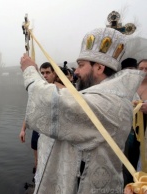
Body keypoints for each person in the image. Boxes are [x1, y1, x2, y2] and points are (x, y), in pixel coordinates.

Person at [20, 27, 145, 194]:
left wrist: (30, 72)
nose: (76, 71)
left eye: (81, 65)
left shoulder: (107, 101)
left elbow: (56, 104)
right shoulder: (109, 95)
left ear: (99, 68)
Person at [19, 62, 57, 178]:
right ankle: (37, 181)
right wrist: (23, 129)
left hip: (51, 132)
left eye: (48, 73)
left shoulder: (58, 90)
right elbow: (30, 110)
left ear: (54, 73)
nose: (45, 76)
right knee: (37, 160)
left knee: (50, 162)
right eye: (43, 73)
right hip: (38, 130)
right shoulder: (38, 91)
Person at [121, 58, 141, 186]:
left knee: (132, 159)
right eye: (127, 71)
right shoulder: (118, 86)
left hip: (135, 132)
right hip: (121, 130)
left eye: (133, 70)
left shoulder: (137, 88)